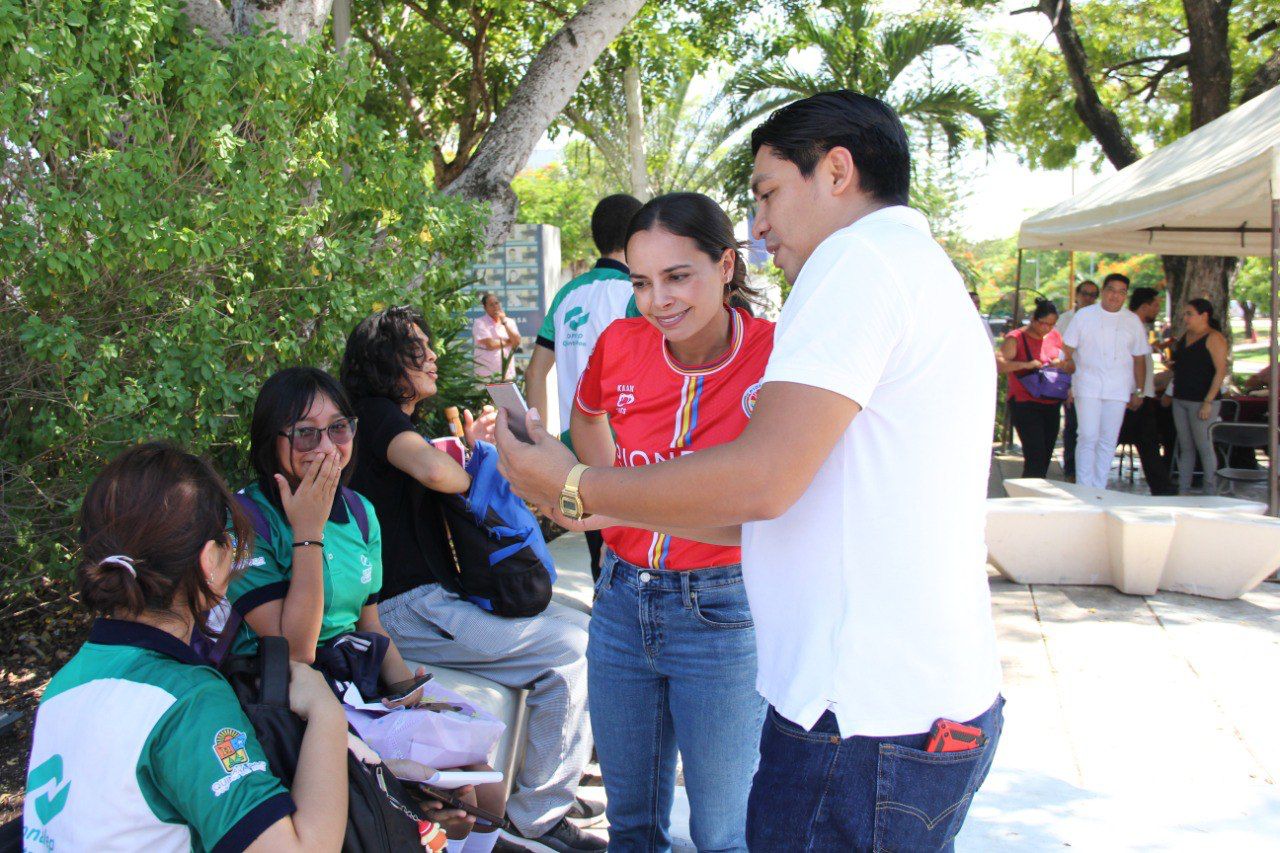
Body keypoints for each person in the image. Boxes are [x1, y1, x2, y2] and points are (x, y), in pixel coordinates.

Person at [495, 90, 1004, 851]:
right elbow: (784, 505)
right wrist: (603, 507)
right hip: (903, 711)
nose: (760, 223)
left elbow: (762, 480)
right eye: (642, 282)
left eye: (768, 193)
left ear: (837, 172)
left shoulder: (855, 262)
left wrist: (576, 488)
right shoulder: (913, 267)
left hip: (860, 721)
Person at [340, 307, 605, 853]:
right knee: (569, 652)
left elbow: (425, 467)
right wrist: (480, 471)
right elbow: (436, 472)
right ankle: (536, 817)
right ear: (387, 362)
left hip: (427, 602)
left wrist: (474, 445)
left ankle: (553, 780)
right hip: (407, 610)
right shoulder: (376, 416)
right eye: (418, 348)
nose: (433, 356)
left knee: (584, 626)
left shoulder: (386, 422)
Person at [561, 193, 773, 851]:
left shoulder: (776, 354)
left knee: (721, 833)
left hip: (724, 608)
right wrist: (605, 496)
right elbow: (586, 416)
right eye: (641, 282)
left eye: (678, 276)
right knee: (630, 827)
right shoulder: (620, 343)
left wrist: (612, 500)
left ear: (726, 265)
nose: (658, 301)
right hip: (621, 599)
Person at [228, 366, 508, 852]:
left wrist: (409, 694)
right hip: (288, 691)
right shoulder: (248, 520)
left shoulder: (359, 512)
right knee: (444, 798)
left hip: (356, 683)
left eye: (338, 428)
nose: (325, 447)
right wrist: (308, 533)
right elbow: (293, 651)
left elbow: (369, 624)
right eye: (305, 433)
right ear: (272, 441)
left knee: (485, 790)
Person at [23, 442, 348, 852]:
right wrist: (326, 713)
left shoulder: (63, 686)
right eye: (230, 541)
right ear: (209, 560)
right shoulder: (188, 700)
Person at [525, 193, 645, 579]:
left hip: (574, 448)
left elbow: (535, 372)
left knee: (600, 559)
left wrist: (541, 441)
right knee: (634, 560)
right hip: (626, 452)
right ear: (637, 234)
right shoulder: (635, 293)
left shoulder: (567, 294)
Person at [1061, 273, 1150, 490]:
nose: (1115, 296)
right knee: (1087, 435)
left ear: (1125, 295)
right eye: (1111, 290)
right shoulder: (1084, 316)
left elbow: (1139, 358)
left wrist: (1139, 390)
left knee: (1108, 439)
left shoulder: (1132, 320)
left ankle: (1099, 487)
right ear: (1103, 291)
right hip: (1087, 384)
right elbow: (1067, 351)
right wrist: (1068, 384)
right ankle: (1084, 487)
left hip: (1119, 388)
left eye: (1121, 292)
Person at [998, 298, 1070, 478]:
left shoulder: (1055, 336)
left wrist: (1060, 364)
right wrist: (1026, 365)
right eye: (1043, 323)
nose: (1046, 328)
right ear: (1033, 319)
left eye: (1051, 325)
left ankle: (1035, 488)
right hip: (1024, 402)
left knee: (1045, 455)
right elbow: (999, 364)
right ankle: (1028, 490)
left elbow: (1070, 363)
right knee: (1035, 455)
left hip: (1050, 402)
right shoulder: (1016, 337)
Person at [1168, 298, 1230, 494]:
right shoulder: (1186, 335)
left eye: (1190, 314)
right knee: (1186, 446)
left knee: (1204, 445)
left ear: (1204, 316)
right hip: (1181, 397)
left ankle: (1210, 489)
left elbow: (1220, 371)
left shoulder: (1214, 337)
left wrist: (1208, 401)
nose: (1186, 318)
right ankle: (1183, 489)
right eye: (1185, 314)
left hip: (1202, 400)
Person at [1121, 288, 1176, 495]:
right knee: (1145, 440)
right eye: (1155, 305)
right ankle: (1162, 486)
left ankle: (1162, 486)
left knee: (1148, 441)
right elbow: (1131, 363)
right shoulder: (1129, 326)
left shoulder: (1140, 327)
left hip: (1142, 394)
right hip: (1133, 395)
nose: (1158, 310)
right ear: (1144, 306)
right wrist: (1137, 391)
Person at [1058, 280, 1100, 480]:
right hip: (1072, 379)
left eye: (1093, 295)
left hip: (1096, 381)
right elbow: (1060, 352)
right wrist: (1068, 384)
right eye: (1085, 293)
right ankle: (1071, 470)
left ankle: (1091, 470)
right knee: (1073, 427)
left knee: (1093, 430)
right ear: (1077, 295)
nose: (1088, 298)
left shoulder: (1100, 319)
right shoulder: (1065, 319)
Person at [473, 293, 522, 381]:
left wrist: (504, 322)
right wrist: (510, 341)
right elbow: (491, 345)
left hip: (506, 374)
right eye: (491, 305)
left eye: (496, 303)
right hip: (486, 376)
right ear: (485, 308)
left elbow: (517, 342)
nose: (495, 306)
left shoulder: (509, 322)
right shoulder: (480, 323)